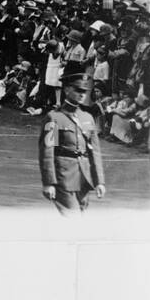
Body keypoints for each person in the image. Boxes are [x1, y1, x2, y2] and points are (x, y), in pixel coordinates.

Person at [39, 70, 106, 214]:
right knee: (71, 217)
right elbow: (47, 153)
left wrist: (99, 181)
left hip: (84, 178)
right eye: (78, 90)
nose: (82, 94)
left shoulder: (87, 118)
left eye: (84, 91)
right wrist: (48, 183)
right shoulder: (54, 118)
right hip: (63, 177)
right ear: (67, 89)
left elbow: (95, 153)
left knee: (79, 218)